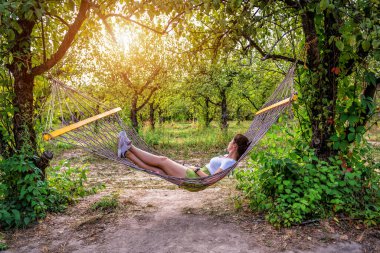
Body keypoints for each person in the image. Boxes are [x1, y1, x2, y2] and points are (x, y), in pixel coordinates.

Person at [117, 131, 250, 178]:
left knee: (163, 161)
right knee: (157, 170)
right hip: (193, 175)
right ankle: (127, 154)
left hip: (195, 179)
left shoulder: (229, 162)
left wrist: (196, 169)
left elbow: (210, 179)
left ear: (234, 146)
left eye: (231, 141)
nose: (228, 142)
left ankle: (130, 146)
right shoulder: (228, 159)